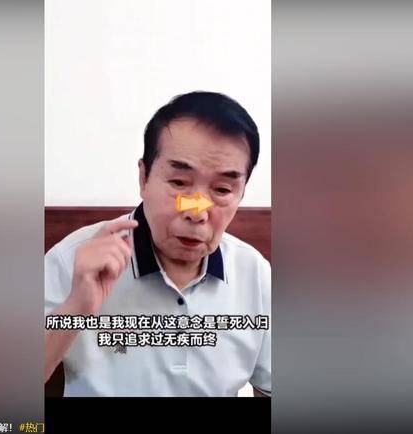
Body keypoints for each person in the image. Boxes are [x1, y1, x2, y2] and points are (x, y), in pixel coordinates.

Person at [44, 91, 271, 397]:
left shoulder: (254, 272)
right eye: (179, 182)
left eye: (222, 189)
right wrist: (76, 308)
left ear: (241, 193)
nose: (196, 212)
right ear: (144, 178)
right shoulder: (75, 258)